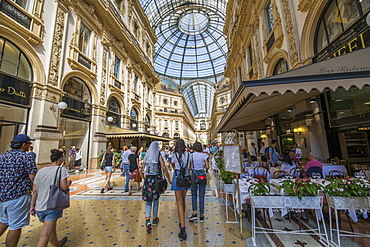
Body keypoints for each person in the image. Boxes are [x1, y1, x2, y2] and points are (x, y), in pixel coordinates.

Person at [0, 134, 38, 247]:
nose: (30, 145)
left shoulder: (2, 156)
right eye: (29, 143)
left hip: (3, 196)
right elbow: (33, 177)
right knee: (15, 226)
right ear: (23, 145)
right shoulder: (26, 157)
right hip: (18, 196)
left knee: (3, 221)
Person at [30, 149, 71, 247]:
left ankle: (58, 244)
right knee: (45, 234)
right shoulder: (61, 170)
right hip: (52, 205)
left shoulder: (41, 171)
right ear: (61, 159)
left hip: (40, 206)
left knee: (51, 228)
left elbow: (35, 190)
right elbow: (64, 187)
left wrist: (32, 206)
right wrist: (69, 183)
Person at [141, 141, 171, 233]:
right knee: (156, 199)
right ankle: (154, 218)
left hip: (148, 180)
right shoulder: (158, 155)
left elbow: (142, 168)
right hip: (156, 180)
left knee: (148, 201)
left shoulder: (147, 155)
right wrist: (169, 179)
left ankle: (147, 220)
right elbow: (164, 168)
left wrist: (143, 179)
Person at [169, 139, 192, 240]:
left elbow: (171, 163)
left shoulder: (174, 154)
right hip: (186, 177)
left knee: (179, 202)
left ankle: (183, 229)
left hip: (177, 176)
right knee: (183, 199)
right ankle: (181, 220)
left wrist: (174, 167)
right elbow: (190, 166)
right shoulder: (188, 154)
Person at [189, 142, 209, 223]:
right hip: (202, 174)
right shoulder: (204, 155)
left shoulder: (191, 155)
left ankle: (194, 213)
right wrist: (202, 166)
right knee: (201, 195)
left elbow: (190, 167)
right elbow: (207, 167)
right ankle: (201, 215)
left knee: (194, 194)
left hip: (194, 174)